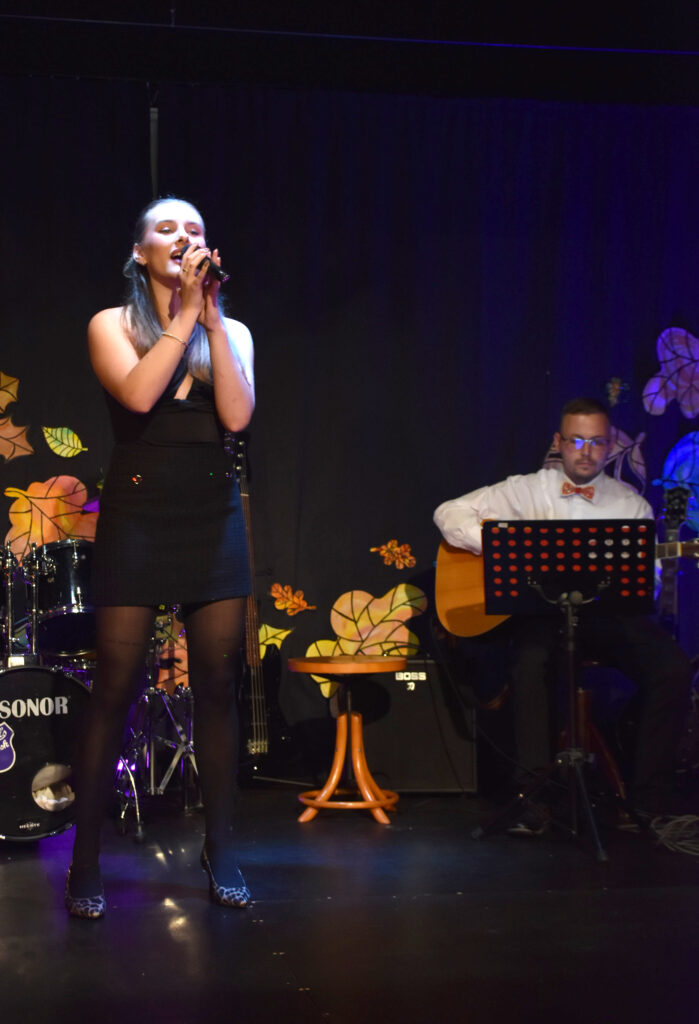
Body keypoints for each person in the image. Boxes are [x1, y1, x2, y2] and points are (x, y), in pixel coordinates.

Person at [65, 196, 255, 918]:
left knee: (216, 684)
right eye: (167, 229)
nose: (184, 238)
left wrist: (211, 319)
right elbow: (140, 396)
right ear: (139, 252)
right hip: (139, 513)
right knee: (116, 686)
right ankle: (85, 857)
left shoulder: (229, 329)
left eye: (195, 229)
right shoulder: (110, 325)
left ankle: (221, 848)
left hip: (212, 513)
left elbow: (236, 416)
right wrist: (183, 317)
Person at [434, 397, 692, 832]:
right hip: (543, 614)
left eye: (596, 442)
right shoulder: (524, 489)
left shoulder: (631, 506)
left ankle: (649, 799)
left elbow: (645, 586)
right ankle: (533, 796)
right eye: (576, 441)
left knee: (673, 669)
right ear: (559, 442)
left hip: (605, 618)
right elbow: (447, 512)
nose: (586, 452)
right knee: (529, 663)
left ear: (610, 445)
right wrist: (500, 546)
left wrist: (630, 577)